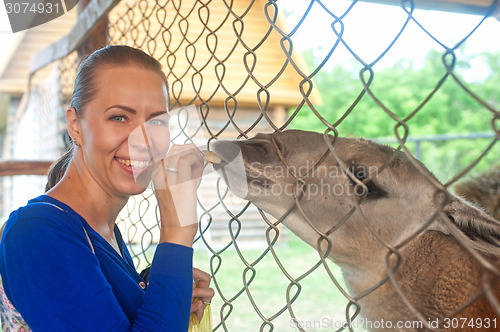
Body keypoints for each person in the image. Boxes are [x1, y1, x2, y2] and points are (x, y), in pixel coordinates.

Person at [0, 45, 214, 331]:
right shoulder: (36, 232)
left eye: (157, 121)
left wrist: (167, 295)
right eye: (119, 117)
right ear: (76, 125)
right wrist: (176, 232)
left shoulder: (102, 230)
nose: (145, 140)